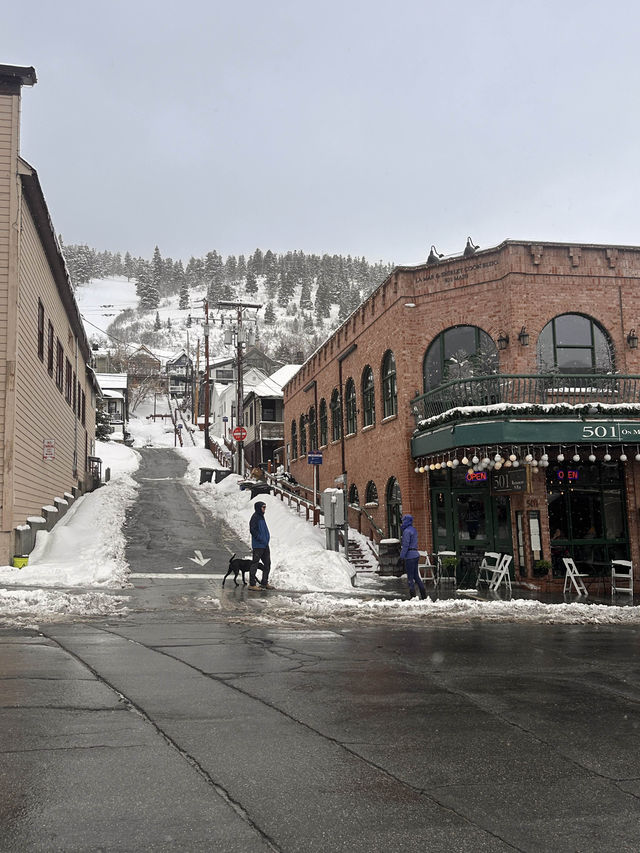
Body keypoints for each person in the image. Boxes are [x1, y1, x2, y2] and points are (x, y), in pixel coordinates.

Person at [398, 514, 426, 600]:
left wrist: (401, 557)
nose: (402, 523)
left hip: (409, 556)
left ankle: (412, 597)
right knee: (416, 576)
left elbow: (406, 545)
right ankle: (424, 595)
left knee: (410, 577)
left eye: (403, 521)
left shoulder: (406, 531)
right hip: (415, 555)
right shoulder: (413, 530)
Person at [248, 501, 274, 590]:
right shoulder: (255, 517)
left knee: (267, 563)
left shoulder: (261, 517)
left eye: (265, 507)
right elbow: (252, 530)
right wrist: (260, 538)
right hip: (258, 545)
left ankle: (264, 582)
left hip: (264, 544)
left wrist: (266, 539)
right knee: (255, 564)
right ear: (258, 508)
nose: (264, 509)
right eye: (263, 507)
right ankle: (252, 584)